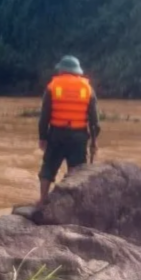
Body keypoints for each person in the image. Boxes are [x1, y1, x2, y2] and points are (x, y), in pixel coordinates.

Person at [37, 55, 100, 206]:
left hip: (56, 134)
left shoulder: (53, 87)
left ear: (62, 70)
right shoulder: (87, 88)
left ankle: (43, 199)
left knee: (48, 167)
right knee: (76, 170)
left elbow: (44, 116)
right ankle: (73, 204)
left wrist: (42, 137)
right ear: (77, 71)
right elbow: (94, 121)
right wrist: (94, 141)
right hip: (78, 136)